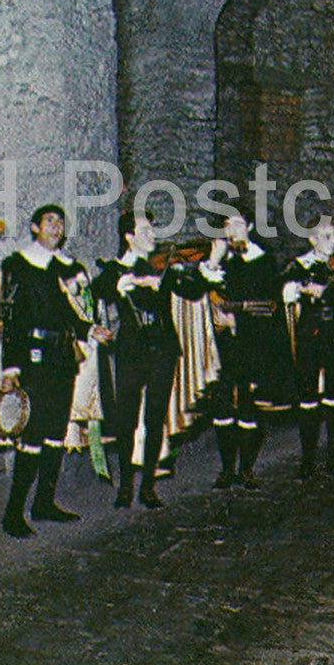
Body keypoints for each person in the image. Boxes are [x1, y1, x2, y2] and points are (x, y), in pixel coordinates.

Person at [0, 205, 110, 537]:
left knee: (55, 433)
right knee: (32, 435)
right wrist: (11, 367)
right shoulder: (18, 265)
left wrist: (90, 330)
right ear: (34, 227)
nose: (56, 227)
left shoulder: (69, 267)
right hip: (33, 358)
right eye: (49, 221)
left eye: (60, 222)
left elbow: (71, 313)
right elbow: (11, 320)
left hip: (62, 357)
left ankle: (44, 503)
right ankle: (13, 513)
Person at [92, 212, 207, 508]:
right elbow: (98, 290)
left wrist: (205, 266)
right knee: (126, 418)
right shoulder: (116, 269)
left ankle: (148, 486)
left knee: (154, 418)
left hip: (163, 350)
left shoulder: (162, 267)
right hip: (131, 351)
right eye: (146, 231)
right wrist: (124, 283)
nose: (154, 237)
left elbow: (192, 291)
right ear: (129, 237)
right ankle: (126, 485)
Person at [198, 214, 282, 489]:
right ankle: (226, 469)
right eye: (227, 226)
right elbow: (201, 293)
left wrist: (238, 319)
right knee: (222, 402)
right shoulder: (221, 260)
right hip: (223, 345)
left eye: (237, 224)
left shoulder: (264, 261)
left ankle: (246, 468)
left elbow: (270, 305)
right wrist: (212, 261)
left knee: (249, 404)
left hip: (254, 341)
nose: (232, 231)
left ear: (249, 227)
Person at [281, 216, 334, 480]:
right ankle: (308, 460)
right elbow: (285, 291)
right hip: (309, 335)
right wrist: (301, 288)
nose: (332, 242)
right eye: (325, 236)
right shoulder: (300, 265)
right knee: (308, 396)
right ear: (311, 239)